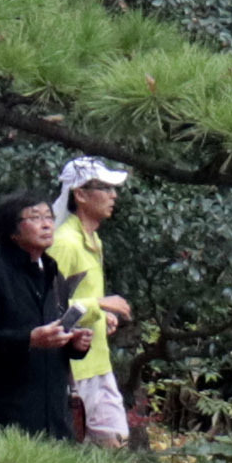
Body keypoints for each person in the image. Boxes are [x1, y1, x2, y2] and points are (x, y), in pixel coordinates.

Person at [0, 193, 88, 440]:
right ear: (13, 231)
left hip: (55, 415)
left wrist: (74, 344)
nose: (47, 224)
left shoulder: (51, 270)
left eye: (49, 217)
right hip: (7, 413)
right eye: (35, 217)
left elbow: (52, 336)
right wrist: (28, 339)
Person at [46, 156, 137, 445]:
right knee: (92, 447)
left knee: (114, 443)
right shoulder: (65, 243)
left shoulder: (93, 240)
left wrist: (101, 315)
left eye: (113, 189)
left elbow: (78, 301)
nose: (114, 195)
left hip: (96, 363)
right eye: (105, 188)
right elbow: (48, 310)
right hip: (72, 369)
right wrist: (101, 305)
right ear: (81, 195)